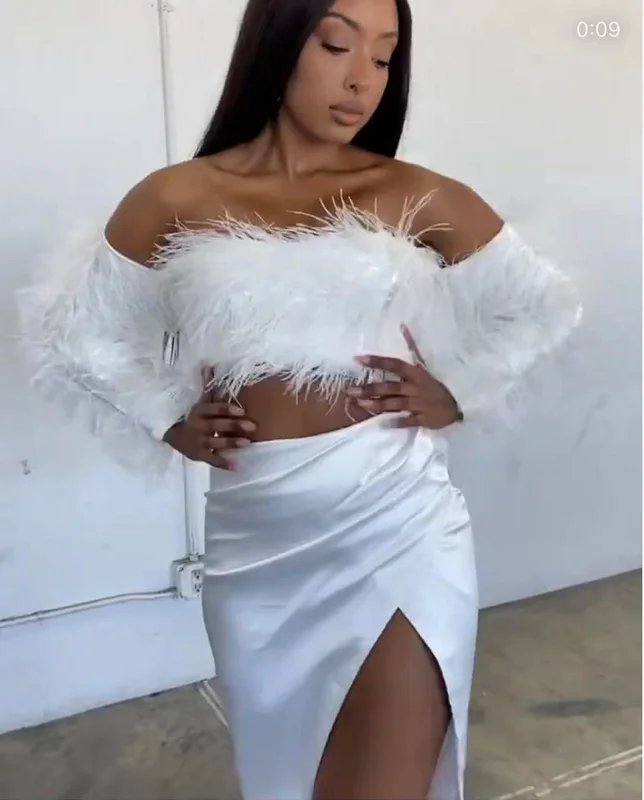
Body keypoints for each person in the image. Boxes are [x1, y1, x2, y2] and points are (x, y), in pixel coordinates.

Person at [17, 0, 582, 797]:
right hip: (259, 543)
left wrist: (458, 390)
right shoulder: (177, 197)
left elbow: (546, 303)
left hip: (399, 525)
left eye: (383, 56)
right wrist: (165, 415)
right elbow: (77, 330)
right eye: (336, 44)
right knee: (293, 777)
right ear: (278, 43)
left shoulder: (410, 193)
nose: (362, 80)